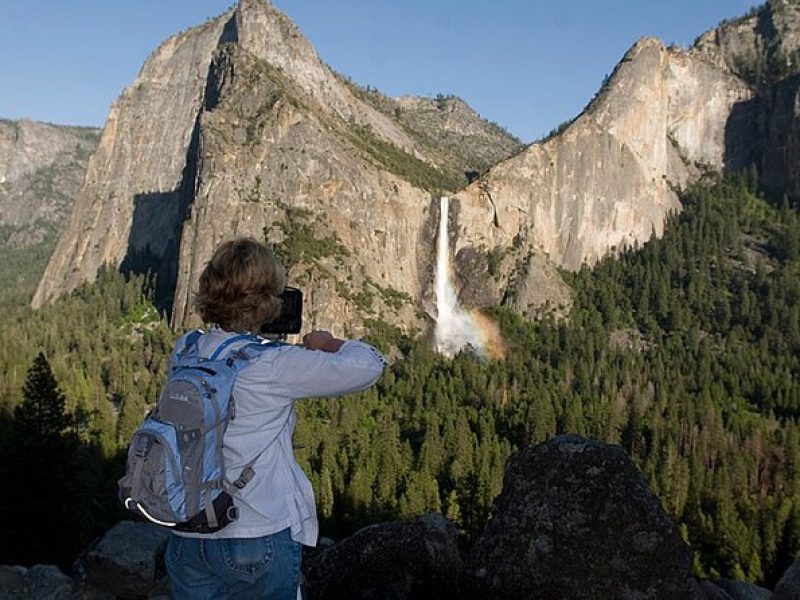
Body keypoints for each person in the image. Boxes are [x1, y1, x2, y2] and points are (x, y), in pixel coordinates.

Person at [164, 237, 386, 599]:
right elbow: (369, 365)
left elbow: (231, 348)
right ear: (268, 301)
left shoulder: (186, 348)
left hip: (188, 537)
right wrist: (328, 344)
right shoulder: (272, 364)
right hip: (254, 534)